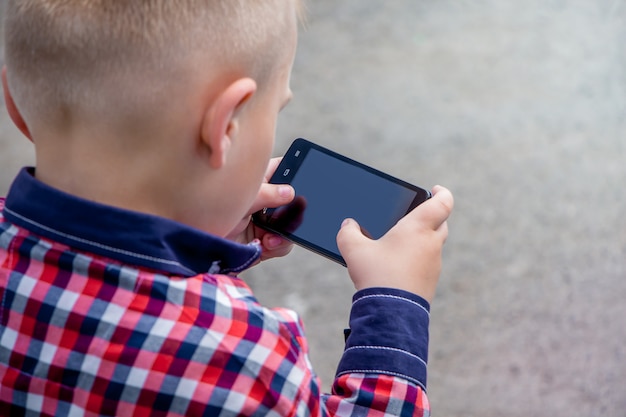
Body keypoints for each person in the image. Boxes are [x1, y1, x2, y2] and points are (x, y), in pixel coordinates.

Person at [0, 0, 454, 415]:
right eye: (276, 109)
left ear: (14, 103)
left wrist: (197, 251)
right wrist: (395, 304)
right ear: (226, 127)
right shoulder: (241, 359)